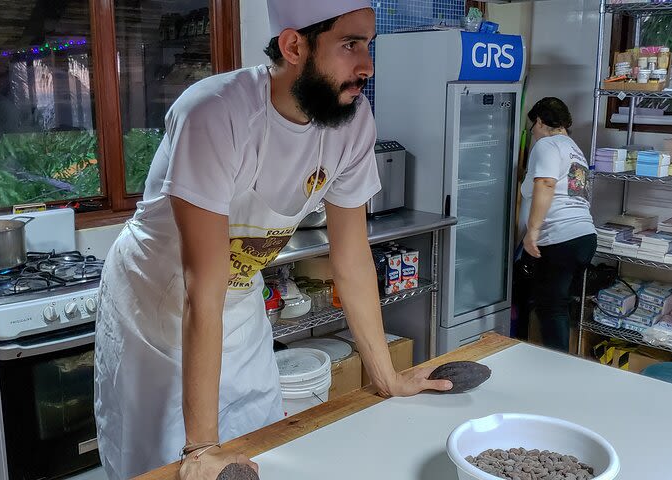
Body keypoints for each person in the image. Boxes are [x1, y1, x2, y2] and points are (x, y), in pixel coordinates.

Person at [94, 2, 452, 479]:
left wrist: (386, 378)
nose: (367, 65)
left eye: (369, 45)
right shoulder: (215, 113)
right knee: (165, 462)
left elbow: (352, 258)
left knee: (260, 446)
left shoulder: (353, 122)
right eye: (350, 45)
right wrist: (200, 447)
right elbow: (201, 284)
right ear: (293, 46)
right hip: (155, 305)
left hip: (237, 301)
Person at [517, 97, 597, 352]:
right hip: (584, 236)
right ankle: (559, 361)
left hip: (561, 237)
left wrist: (533, 231)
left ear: (540, 121)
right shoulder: (574, 149)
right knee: (557, 304)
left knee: (551, 307)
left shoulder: (547, 145)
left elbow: (546, 184)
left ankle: (558, 367)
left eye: (532, 128)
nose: (533, 134)